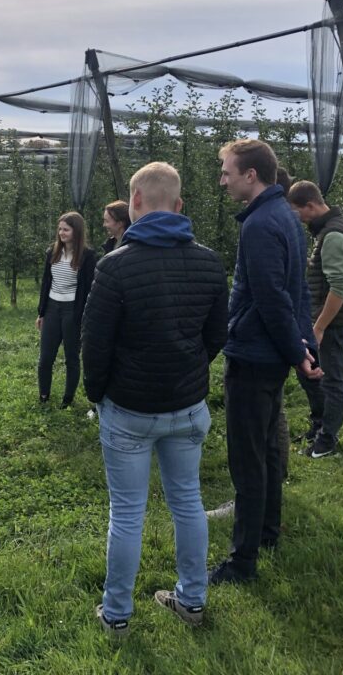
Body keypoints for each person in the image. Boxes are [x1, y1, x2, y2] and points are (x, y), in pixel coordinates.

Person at [82, 162, 228, 635]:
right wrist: (188, 369)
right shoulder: (209, 262)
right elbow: (216, 335)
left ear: (135, 204)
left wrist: (98, 394)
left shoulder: (115, 266)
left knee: (127, 512)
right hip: (187, 407)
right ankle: (192, 600)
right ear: (180, 205)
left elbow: (95, 344)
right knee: (187, 501)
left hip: (129, 409)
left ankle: (118, 615)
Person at [210, 140, 320, 585]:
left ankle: (242, 561)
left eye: (226, 171)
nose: (223, 179)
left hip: (255, 355)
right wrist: (304, 345)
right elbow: (299, 293)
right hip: (272, 353)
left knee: (248, 459)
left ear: (250, 175)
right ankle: (268, 534)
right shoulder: (288, 219)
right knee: (269, 453)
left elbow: (275, 299)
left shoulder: (258, 224)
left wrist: (298, 352)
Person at [287, 180, 343, 458]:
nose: (300, 220)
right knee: (313, 374)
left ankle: (327, 440)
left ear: (311, 205)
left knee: (331, 379)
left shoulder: (333, 236)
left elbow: (340, 285)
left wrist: (319, 327)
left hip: (333, 321)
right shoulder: (330, 231)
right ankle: (320, 426)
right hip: (326, 319)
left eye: (299, 213)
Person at [36, 212, 97, 408]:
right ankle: (44, 395)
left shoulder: (87, 256)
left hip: (73, 310)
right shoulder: (52, 252)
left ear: (76, 231)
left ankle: (67, 400)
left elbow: (89, 289)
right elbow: (46, 283)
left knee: (71, 357)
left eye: (66, 229)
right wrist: (42, 312)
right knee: (45, 357)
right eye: (60, 229)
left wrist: (84, 317)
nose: (61, 233)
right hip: (53, 308)